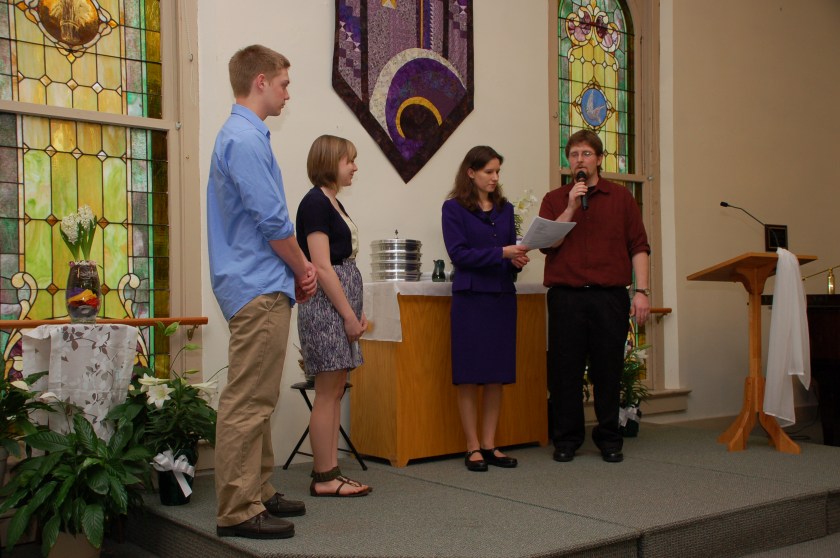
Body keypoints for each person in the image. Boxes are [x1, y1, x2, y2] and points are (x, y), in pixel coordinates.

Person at [207, 45, 318, 540]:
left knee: (261, 397)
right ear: (260, 82)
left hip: (257, 281)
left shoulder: (246, 135)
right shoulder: (245, 139)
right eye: (284, 83)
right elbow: (272, 221)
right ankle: (237, 508)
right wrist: (304, 268)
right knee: (248, 400)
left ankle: (260, 489)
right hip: (258, 282)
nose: (287, 93)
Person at [538, 129, 650, 464]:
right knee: (564, 371)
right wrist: (571, 205)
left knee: (607, 370)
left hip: (609, 297)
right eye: (573, 155)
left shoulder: (621, 198)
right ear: (568, 162)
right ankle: (567, 438)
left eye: (586, 154)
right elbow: (547, 243)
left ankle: (609, 436)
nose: (579, 160)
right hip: (566, 297)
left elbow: (639, 247)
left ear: (599, 159)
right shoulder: (555, 198)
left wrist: (641, 291)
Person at [441, 145, 530, 472]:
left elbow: (508, 255)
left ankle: (491, 444)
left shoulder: (505, 210)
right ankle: (472, 447)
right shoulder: (453, 209)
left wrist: (516, 260)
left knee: (496, 376)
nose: (494, 178)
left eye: (497, 172)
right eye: (489, 171)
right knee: (469, 375)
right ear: (471, 172)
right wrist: (503, 253)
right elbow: (459, 255)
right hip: (471, 298)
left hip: (501, 296)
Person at [296, 135, 371, 497]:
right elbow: (323, 267)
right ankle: (324, 476)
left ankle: (330, 472)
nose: (355, 167)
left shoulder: (332, 202)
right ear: (330, 162)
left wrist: (355, 312)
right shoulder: (314, 203)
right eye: (349, 161)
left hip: (339, 307)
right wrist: (347, 316)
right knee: (327, 392)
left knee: (335, 389)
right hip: (325, 309)